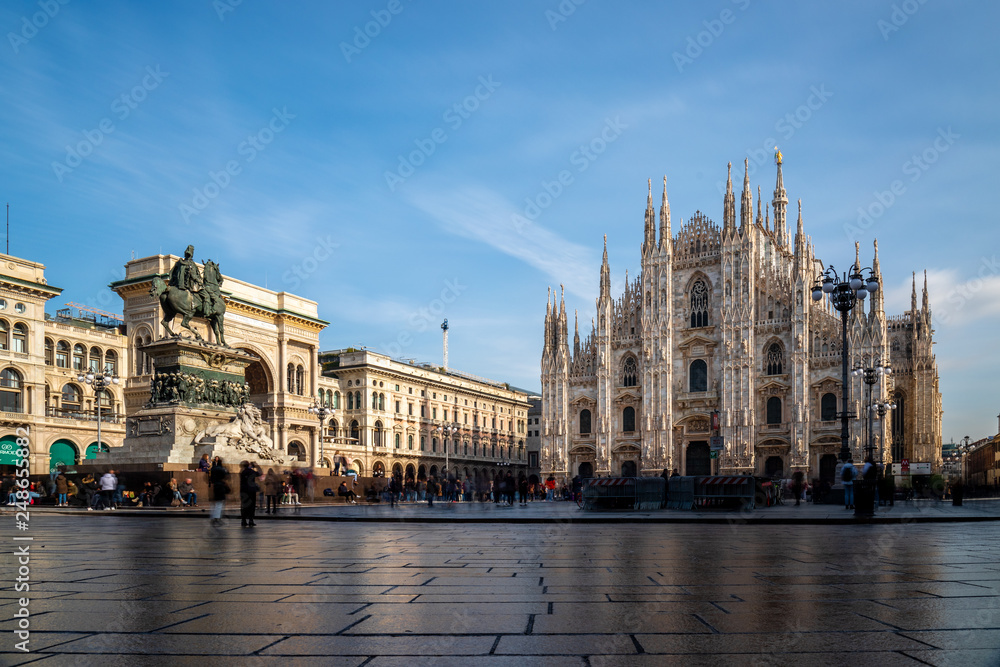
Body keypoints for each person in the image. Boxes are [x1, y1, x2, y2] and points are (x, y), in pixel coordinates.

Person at [239, 460, 260, 528]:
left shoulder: (242, 472)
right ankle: (251, 520)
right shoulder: (251, 471)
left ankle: (243, 520)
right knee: (251, 506)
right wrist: (257, 466)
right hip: (251, 490)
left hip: (244, 491)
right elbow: (260, 473)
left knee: (244, 505)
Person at [209, 456, 230, 525]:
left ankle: (214, 517)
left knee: (215, 503)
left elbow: (211, 479)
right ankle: (217, 518)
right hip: (220, 486)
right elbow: (226, 476)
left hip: (215, 486)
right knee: (219, 503)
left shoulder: (213, 469)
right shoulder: (222, 469)